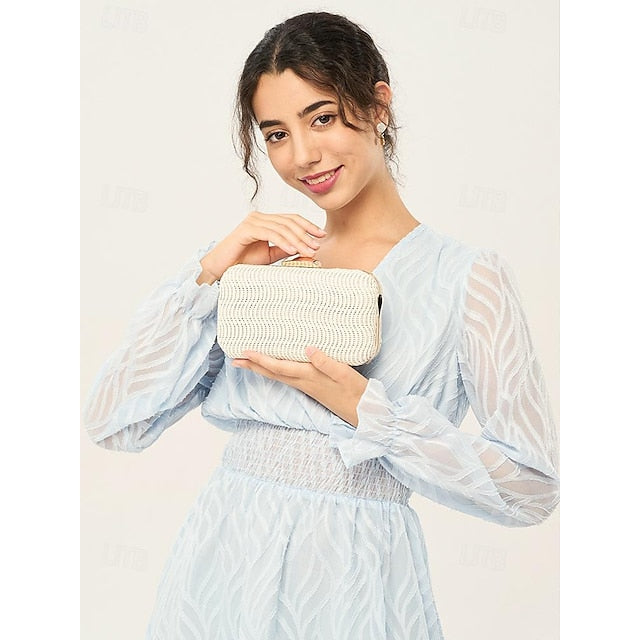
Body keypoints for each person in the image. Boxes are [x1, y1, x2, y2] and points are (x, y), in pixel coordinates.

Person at [83, 11, 559, 640]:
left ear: (378, 104)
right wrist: (209, 275)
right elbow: (115, 423)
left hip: (356, 578)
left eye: (323, 118)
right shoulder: (258, 264)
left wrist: (366, 409)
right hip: (222, 563)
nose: (302, 155)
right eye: (277, 134)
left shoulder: (467, 278)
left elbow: (531, 489)